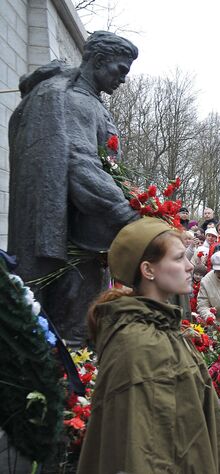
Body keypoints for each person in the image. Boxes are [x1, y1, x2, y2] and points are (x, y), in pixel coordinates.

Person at [7, 31, 141, 345]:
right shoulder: (73, 100)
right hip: (70, 244)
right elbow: (79, 164)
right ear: (98, 60)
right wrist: (124, 210)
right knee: (73, 333)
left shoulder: (90, 102)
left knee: (80, 329)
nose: (122, 80)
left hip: (85, 241)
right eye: (120, 70)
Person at [78, 218, 220, 473]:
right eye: (178, 258)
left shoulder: (161, 328)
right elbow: (147, 453)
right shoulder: (141, 345)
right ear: (148, 270)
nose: (190, 266)